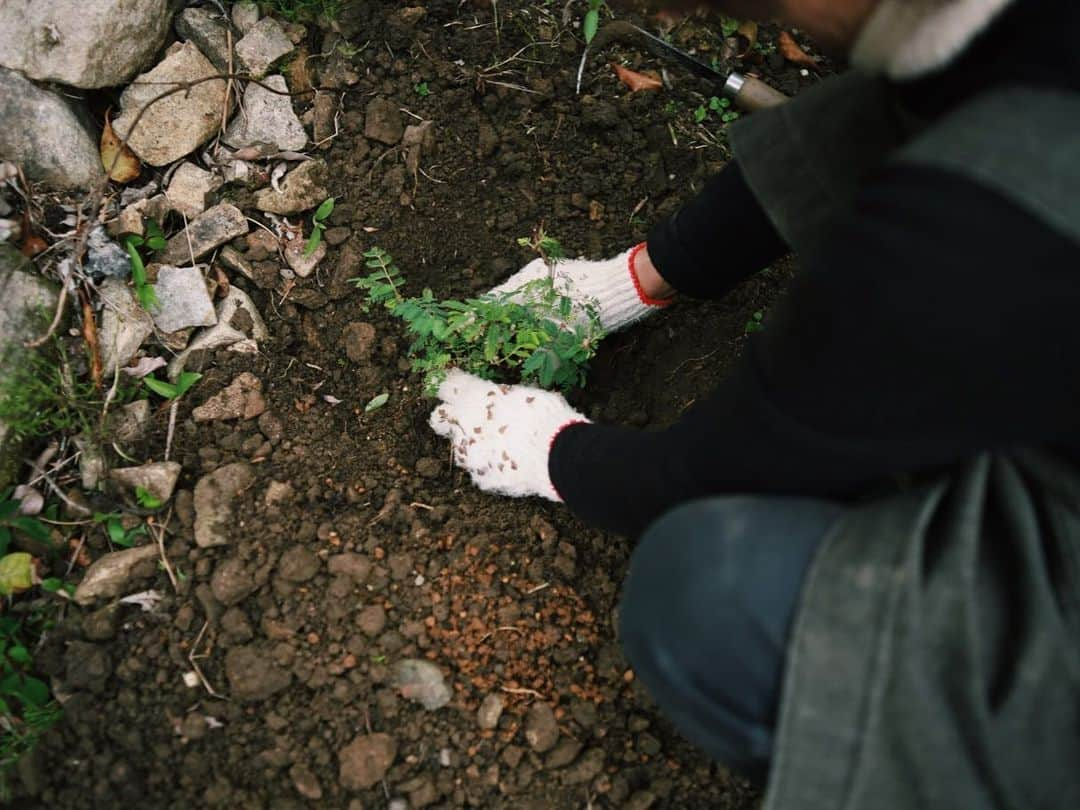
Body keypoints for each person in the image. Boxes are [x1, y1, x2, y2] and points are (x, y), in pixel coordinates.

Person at [429, 0, 1080, 805]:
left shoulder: (983, 228)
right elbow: (888, 114)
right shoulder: (1013, 34)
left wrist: (545, 448)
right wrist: (630, 283)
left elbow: (716, 473)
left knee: (712, 594)